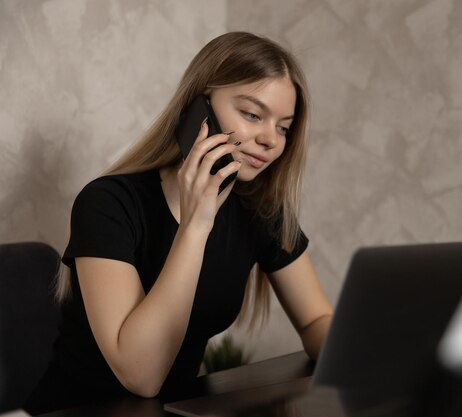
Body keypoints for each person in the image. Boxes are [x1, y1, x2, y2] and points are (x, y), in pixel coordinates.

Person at [24, 31, 333, 415]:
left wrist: (360, 348)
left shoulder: (260, 212)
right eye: (253, 114)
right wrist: (195, 225)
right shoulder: (107, 204)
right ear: (197, 110)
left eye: (284, 126)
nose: (271, 139)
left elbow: (316, 318)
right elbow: (142, 376)